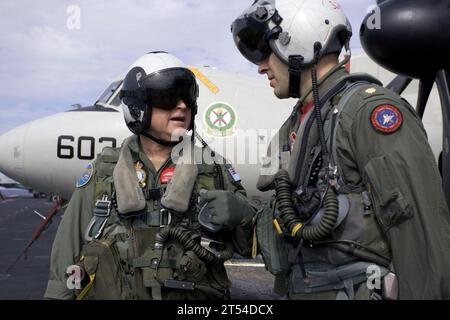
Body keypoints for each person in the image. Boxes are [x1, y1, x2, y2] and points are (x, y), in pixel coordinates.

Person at [231, 0, 450, 300]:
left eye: (264, 51)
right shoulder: (306, 122)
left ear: (297, 37)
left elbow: (423, 245)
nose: (260, 67)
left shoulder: (366, 112)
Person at [44, 52, 255, 300]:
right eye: (167, 97)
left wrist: (244, 215)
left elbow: (250, 244)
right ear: (138, 105)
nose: (182, 106)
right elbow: (67, 247)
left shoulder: (214, 168)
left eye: (186, 96)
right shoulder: (104, 170)